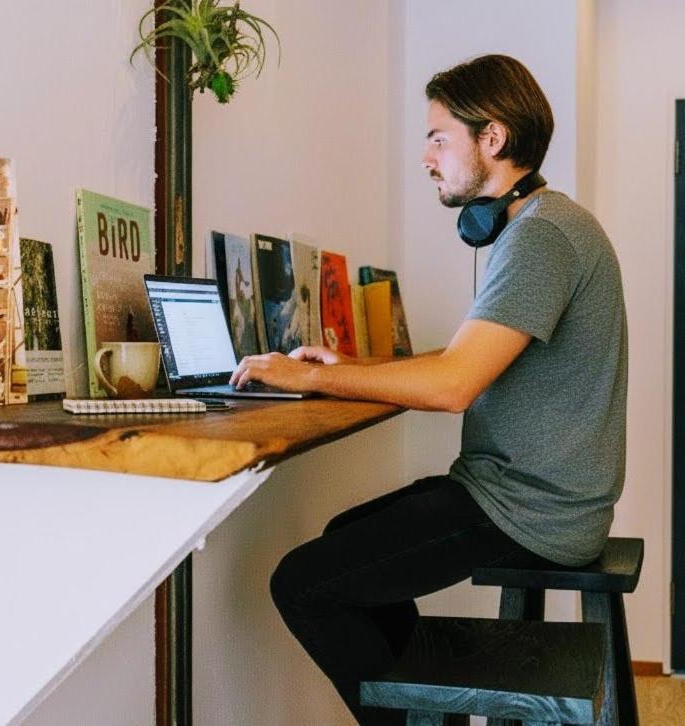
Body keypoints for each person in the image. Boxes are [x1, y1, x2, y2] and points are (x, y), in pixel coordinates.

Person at [230, 54, 627, 725]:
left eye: (439, 138)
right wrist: (348, 366)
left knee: (302, 584)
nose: (426, 158)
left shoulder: (541, 236)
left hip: (532, 510)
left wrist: (309, 376)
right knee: (346, 541)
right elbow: (465, 355)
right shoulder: (538, 225)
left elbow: (454, 386)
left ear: (492, 138)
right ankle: (426, 713)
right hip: (534, 495)